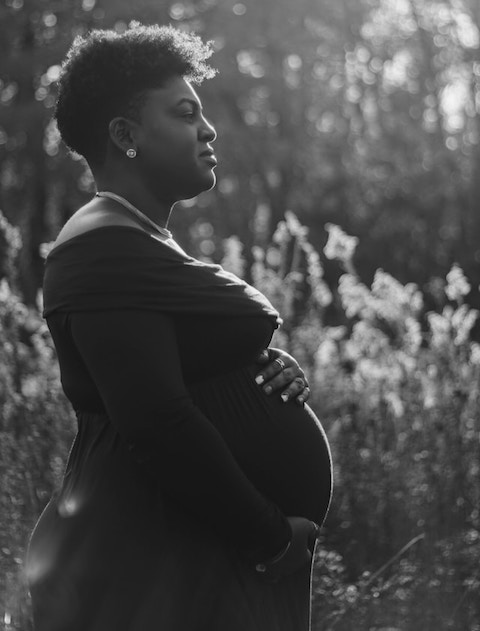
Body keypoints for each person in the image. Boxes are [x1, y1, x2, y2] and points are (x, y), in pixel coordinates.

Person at [26, 23, 333, 631]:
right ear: (125, 135)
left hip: (185, 552)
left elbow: (171, 369)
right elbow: (157, 421)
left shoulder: (134, 241)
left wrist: (252, 364)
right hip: (146, 559)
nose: (210, 128)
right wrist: (269, 540)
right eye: (186, 112)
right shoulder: (100, 251)